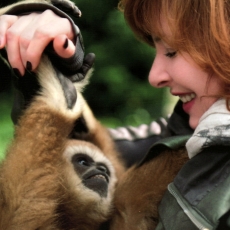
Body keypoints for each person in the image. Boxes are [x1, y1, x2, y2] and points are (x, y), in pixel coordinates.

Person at [1, 0, 230, 229]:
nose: (155, 76)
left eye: (171, 52)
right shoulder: (176, 140)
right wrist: (38, 66)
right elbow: (93, 154)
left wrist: (51, 110)